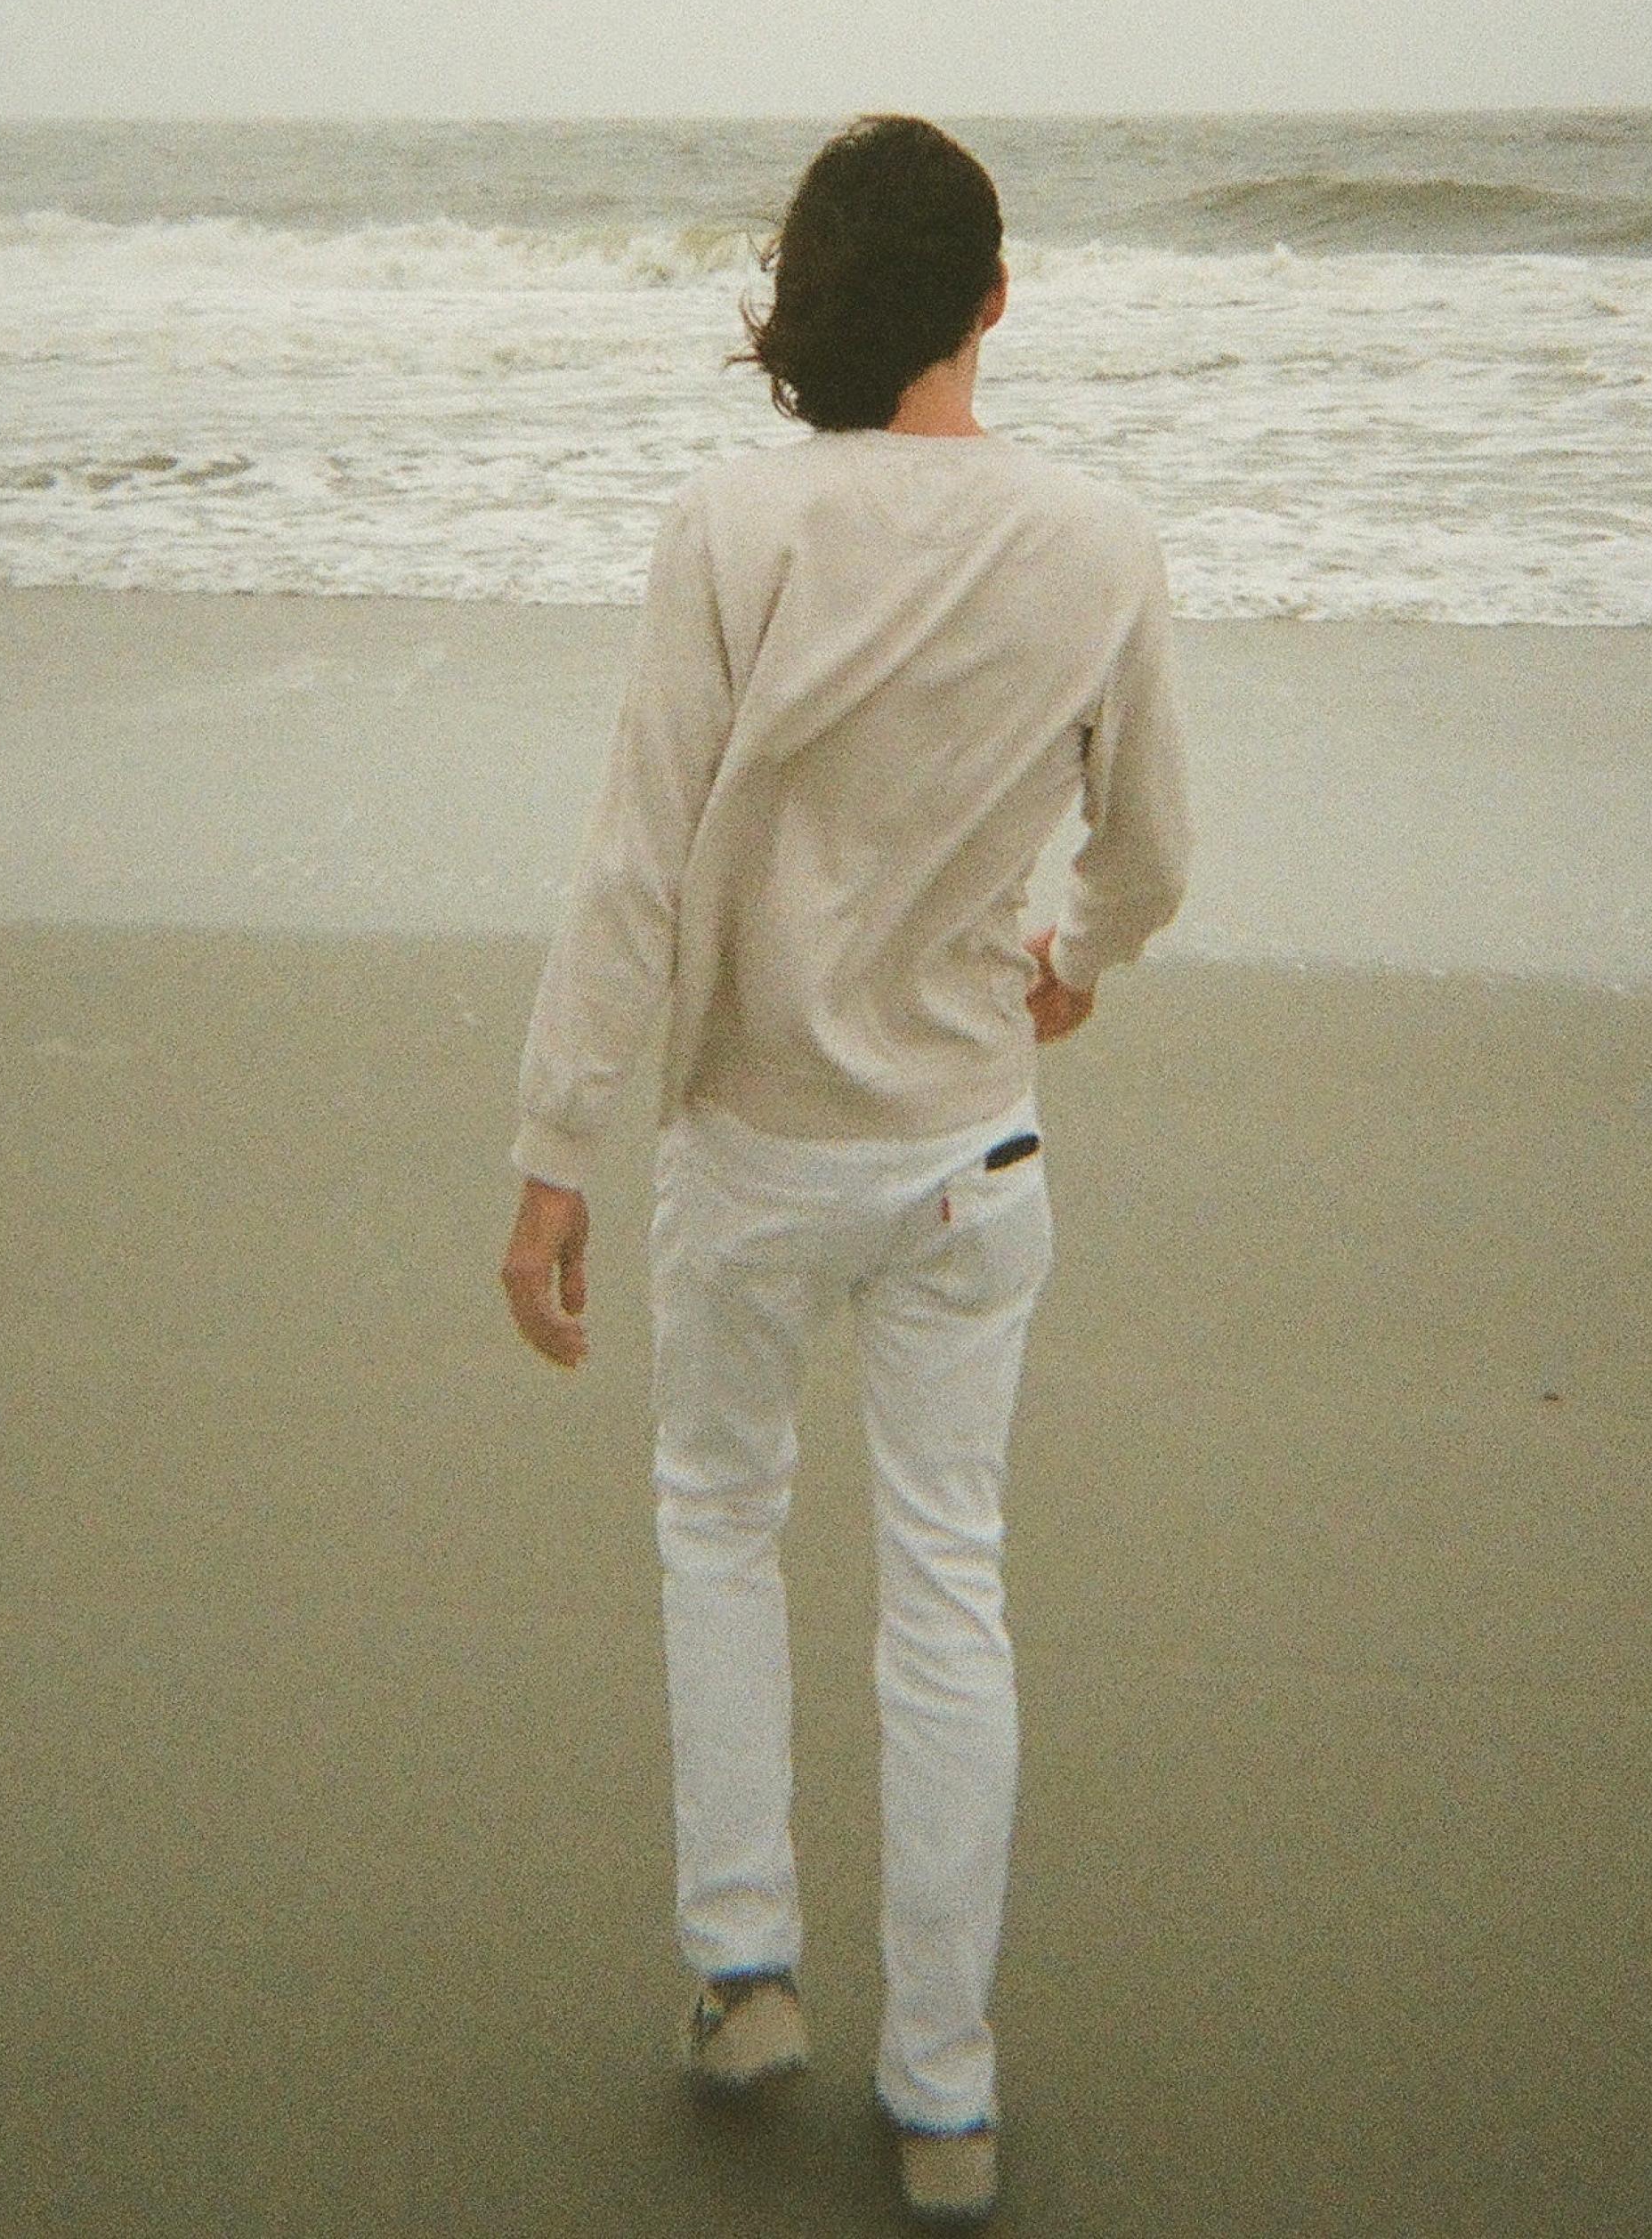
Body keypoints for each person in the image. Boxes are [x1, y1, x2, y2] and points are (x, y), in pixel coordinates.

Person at [498, 113, 1189, 2227]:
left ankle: (743, 1975)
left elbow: (636, 863)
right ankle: (947, 2096)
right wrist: (1077, 960)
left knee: (721, 1517)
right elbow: (1153, 849)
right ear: (994, 299)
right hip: (971, 1147)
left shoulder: (733, 526)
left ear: (808, 304)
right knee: (948, 1583)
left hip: (753, 1143)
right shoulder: (1097, 539)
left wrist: (554, 1145)